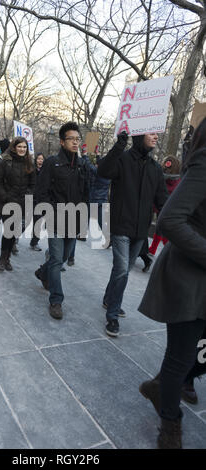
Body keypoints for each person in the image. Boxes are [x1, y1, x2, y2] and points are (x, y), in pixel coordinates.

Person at [138, 118, 206, 449]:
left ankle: (167, 383)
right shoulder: (204, 164)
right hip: (187, 278)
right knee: (180, 356)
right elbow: (169, 219)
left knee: (197, 356)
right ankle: (170, 424)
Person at [97, 131, 168, 337]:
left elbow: (162, 200)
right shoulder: (122, 159)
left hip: (140, 231)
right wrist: (118, 146)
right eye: (151, 133)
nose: (156, 137)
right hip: (120, 226)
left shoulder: (155, 168)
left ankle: (109, 298)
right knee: (122, 270)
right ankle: (112, 315)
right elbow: (103, 171)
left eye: (157, 134)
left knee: (123, 269)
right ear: (140, 136)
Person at [34, 122, 89, 320]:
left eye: (77, 139)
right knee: (57, 260)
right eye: (71, 139)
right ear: (62, 141)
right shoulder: (52, 162)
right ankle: (56, 300)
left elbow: (86, 194)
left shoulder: (83, 165)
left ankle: (42, 272)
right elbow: (41, 191)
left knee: (63, 257)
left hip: (74, 220)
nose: (75, 142)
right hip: (56, 219)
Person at [0, 136, 35, 271]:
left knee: (15, 231)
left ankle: (7, 257)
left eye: (24, 147)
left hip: (22, 203)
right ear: (14, 148)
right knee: (9, 231)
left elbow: (33, 185)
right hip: (7, 202)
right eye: (19, 146)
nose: (22, 149)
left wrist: (28, 195)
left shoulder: (29, 164)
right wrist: (4, 196)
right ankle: (3, 257)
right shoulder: (5, 162)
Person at [148, 156, 181, 256]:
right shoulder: (178, 181)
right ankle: (156, 249)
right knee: (161, 228)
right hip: (167, 208)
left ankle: (157, 249)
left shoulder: (160, 178)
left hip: (159, 206)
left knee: (161, 229)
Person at [30, 152, 45, 251]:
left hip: (40, 201)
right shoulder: (31, 170)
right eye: (39, 159)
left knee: (38, 222)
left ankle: (34, 242)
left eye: (42, 159)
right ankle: (15, 237)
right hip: (30, 199)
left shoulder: (46, 172)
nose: (40, 161)